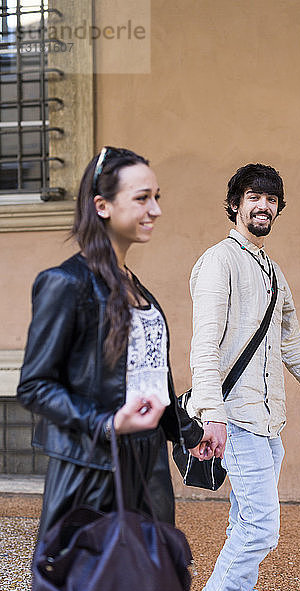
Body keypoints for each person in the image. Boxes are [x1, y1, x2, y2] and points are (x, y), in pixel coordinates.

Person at [17, 146, 207, 543]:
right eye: (142, 198)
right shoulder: (67, 283)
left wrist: (188, 433)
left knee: (152, 575)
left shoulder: (136, 287)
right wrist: (107, 423)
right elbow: (35, 386)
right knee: (93, 580)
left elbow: (153, 376)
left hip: (148, 462)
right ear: (102, 205)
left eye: (156, 197)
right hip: (92, 470)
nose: (155, 210)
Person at [188, 163, 300, 591]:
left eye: (271, 199)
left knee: (246, 523)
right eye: (253, 197)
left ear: (278, 208)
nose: (263, 205)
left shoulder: (273, 271)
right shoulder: (218, 261)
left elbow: (292, 346)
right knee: (262, 529)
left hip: (268, 422)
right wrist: (211, 414)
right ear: (234, 205)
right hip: (234, 417)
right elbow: (204, 345)